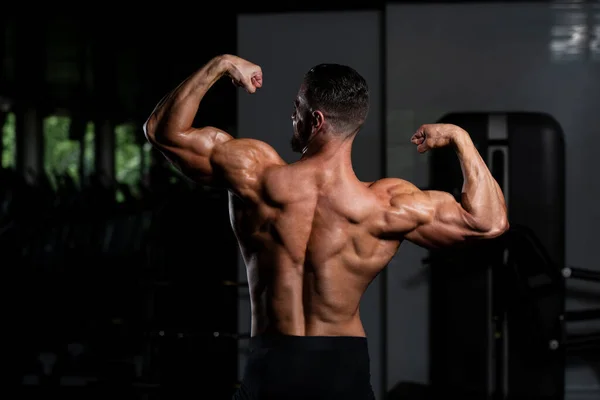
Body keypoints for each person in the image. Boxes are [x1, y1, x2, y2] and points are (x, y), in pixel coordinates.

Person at [143, 54, 509, 400]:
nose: (292, 116)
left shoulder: (255, 176)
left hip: (272, 362)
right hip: (341, 369)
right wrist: (460, 138)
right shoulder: (385, 205)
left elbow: (163, 131)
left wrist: (220, 65)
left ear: (315, 120)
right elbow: (489, 222)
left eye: (297, 108)